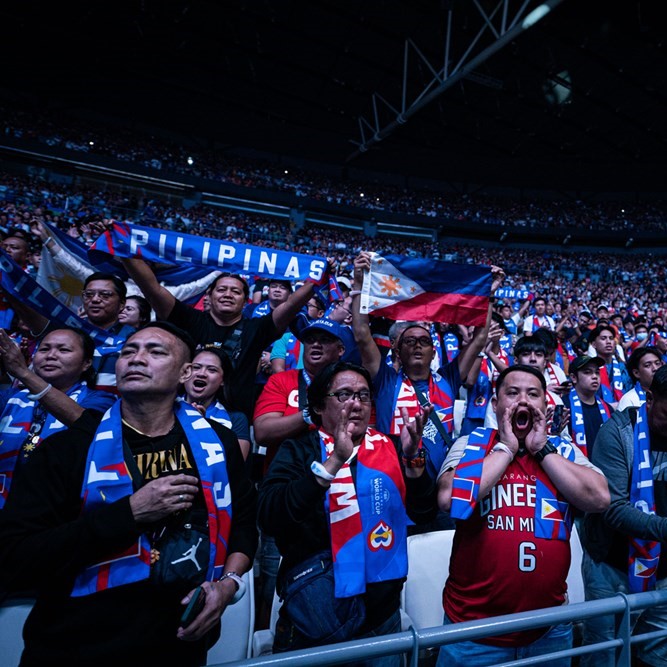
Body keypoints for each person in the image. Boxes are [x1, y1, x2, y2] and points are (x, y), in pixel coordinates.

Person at [0, 322, 258, 667]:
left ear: (184, 373)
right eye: (128, 352)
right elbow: (16, 557)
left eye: (155, 351)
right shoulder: (66, 450)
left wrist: (227, 587)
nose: (136, 359)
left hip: (177, 646)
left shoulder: (219, 443)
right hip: (74, 646)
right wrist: (131, 513)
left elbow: (242, 524)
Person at [257, 361, 437, 663]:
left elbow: (424, 513)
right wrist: (332, 463)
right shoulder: (299, 449)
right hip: (317, 620)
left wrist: (412, 459)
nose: (356, 403)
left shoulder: (391, 446)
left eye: (364, 395)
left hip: (382, 619)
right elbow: (271, 516)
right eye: (344, 395)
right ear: (318, 407)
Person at [436, 364, 610, 667]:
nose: (523, 401)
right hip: (473, 633)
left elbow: (599, 498)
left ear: (545, 404)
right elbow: (450, 498)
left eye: (533, 394)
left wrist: (542, 449)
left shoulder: (562, 451)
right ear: (495, 404)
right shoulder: (472, 445)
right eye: (512, 393)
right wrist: (505, 448)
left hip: (549, 630)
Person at [122, 257, 322, 419]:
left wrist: (318, 278)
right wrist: (123, 250)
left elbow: (291, 305)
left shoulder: (257, 328)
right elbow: (152, 289)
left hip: (235, 420)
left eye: (236, 291)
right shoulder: (190, 319)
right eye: (221, 289)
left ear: (246, 301)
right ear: (208, 296)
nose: (228, 294)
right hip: (180, 414)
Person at [252, 317, 347, 627]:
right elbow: (264, 432)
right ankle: (266, 639)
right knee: (271, 578)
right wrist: (314, 411)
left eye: (324, 339)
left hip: (339, 498)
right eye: (311, 339)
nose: (315, 344)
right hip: (285, 495)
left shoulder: (349, 387)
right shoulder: (282, 382)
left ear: (339, 349)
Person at [580, 365, 667, 667]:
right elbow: (613, 509)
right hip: (612, 565)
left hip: (663, 572)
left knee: (656, 654)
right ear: (649, 397)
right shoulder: (617, 432)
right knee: (604, 653)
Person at [0, 326, 117, 506]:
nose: (51, 355)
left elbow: (84, 424)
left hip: (56, 508)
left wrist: (23, 373)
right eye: (45, 349)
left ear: (86, 363)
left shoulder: (100, 400)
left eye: (64, 350)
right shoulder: (11, 397)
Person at [181, 346, 251, 460]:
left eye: (212, 370)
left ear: (223, 380)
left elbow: (235, 467)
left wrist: (205, 428)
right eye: (196, 367)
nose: (202, 373)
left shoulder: (236, 419)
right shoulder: (165, 409)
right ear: (185, 373)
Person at [562, 355, 613, 460]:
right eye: (587, 372)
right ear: (574, 378)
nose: (594, 376)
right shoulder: (564, 406)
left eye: (597, 372)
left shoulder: (608, 409)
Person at [589, 323, 633, 409]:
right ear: (594, 344)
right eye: (603, 338)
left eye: (611, 338)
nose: (608, 342)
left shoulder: (623, 367)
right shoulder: (589, 369)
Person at [617, 346, 664, 411]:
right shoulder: (629, 400)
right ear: (636, 373)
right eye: (648, 365)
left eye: (657, 363)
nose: (655, 368)